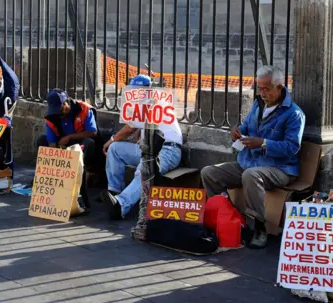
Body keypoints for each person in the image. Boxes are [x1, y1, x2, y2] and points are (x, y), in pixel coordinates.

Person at [200, 65, 305, 249]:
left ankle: (259, 228)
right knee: (209, 172)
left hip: (280, 168)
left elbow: (292, 147)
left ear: (279, 87)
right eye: (260, 88)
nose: (263, 93)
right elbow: (246, 126)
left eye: (267, 89)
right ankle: (227, 217)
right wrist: (237, 131)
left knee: (251, 175)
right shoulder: (258, 104)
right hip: (250, 162)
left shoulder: (294, 114)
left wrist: (263, 143)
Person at [101, 74, 183, 220]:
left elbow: (129, 128)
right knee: (116, 150)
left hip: (168, 150)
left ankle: (121, 205)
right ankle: (114, 192)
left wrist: (111, 140)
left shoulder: (154, 102)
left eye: (138, 90)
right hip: (149, 148)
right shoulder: (144, 105)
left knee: (143, 169)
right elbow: (138, 127)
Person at [38, 88, 98, 207]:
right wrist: (55, 157)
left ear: (66, 103)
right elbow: (51, 143)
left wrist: (69, 137)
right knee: (41, 141)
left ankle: (81, 189)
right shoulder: (52, 117)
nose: (59, 114)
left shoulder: (84, 109)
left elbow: (92, 132)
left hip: (81, 145)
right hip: (63, 146)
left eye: (60, 110)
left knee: (88, 142)